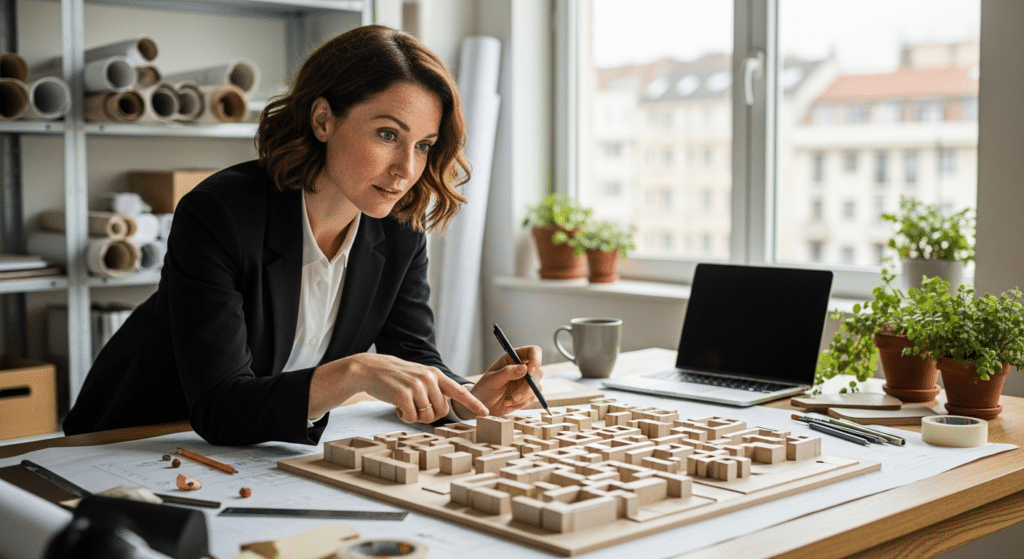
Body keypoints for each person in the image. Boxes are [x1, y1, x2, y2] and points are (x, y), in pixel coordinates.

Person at [62, 25, 543, 446]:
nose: (407, 170)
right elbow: (217, 405)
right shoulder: (219, 213)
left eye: (423, 145)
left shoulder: (398, 228)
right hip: (135, 437)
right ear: (322, 120)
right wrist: (352, 373)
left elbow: (413, 357)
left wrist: (465, 398)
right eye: (387, 135)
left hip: (250, 449)